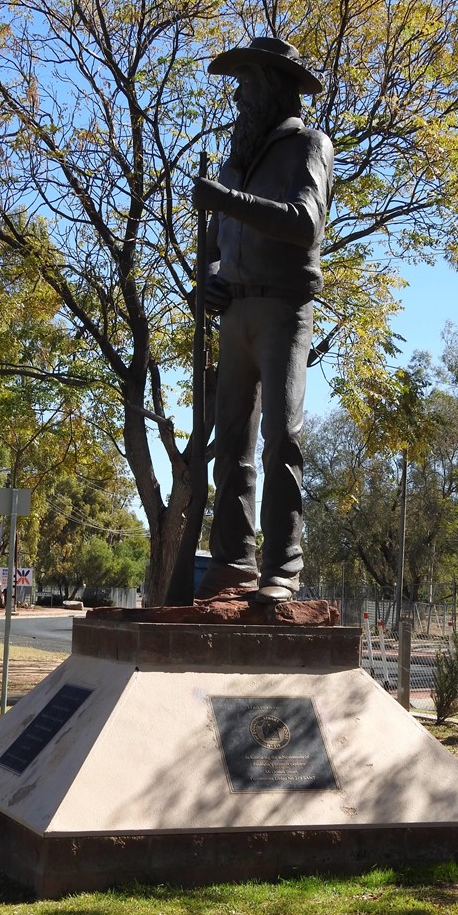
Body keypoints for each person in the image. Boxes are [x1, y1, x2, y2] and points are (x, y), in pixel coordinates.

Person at [193, 36, 333, 604]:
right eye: (238, 86)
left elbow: (305, 223)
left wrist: (226, 201)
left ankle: (282, 568)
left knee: (282, 438)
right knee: (232, 445)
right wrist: (208, 283)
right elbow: (210, 249)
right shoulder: (235, 162)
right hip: (237, 314)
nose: (240, 97)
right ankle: (232, 563)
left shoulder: (308, 146)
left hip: (284, 308)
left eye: (249, 85)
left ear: (275, 89)